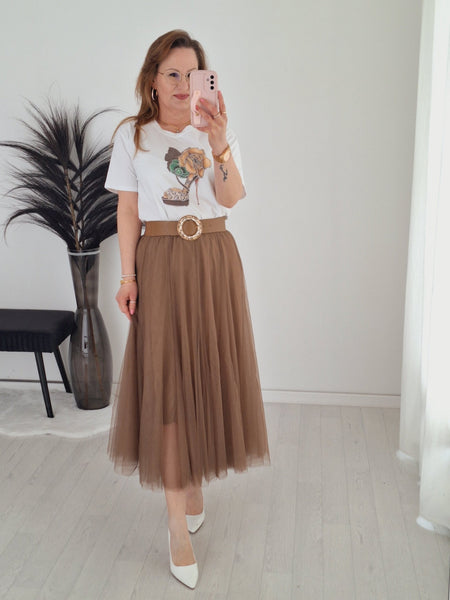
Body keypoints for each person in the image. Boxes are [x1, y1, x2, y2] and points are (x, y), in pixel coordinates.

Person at [105, 29, 270, 589]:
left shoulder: (218, 129)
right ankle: (177, 525)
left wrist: (219, 142)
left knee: (209, 376)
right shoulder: (132, 136)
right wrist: (127, 276)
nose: (181, 85)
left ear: (205, 79)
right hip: (162, 262)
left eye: (191, 74)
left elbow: (231, 198)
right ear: (152, 79)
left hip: (215, 259)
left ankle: (193, 480)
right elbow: (128, 212)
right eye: (171, 74)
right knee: (169, 386)